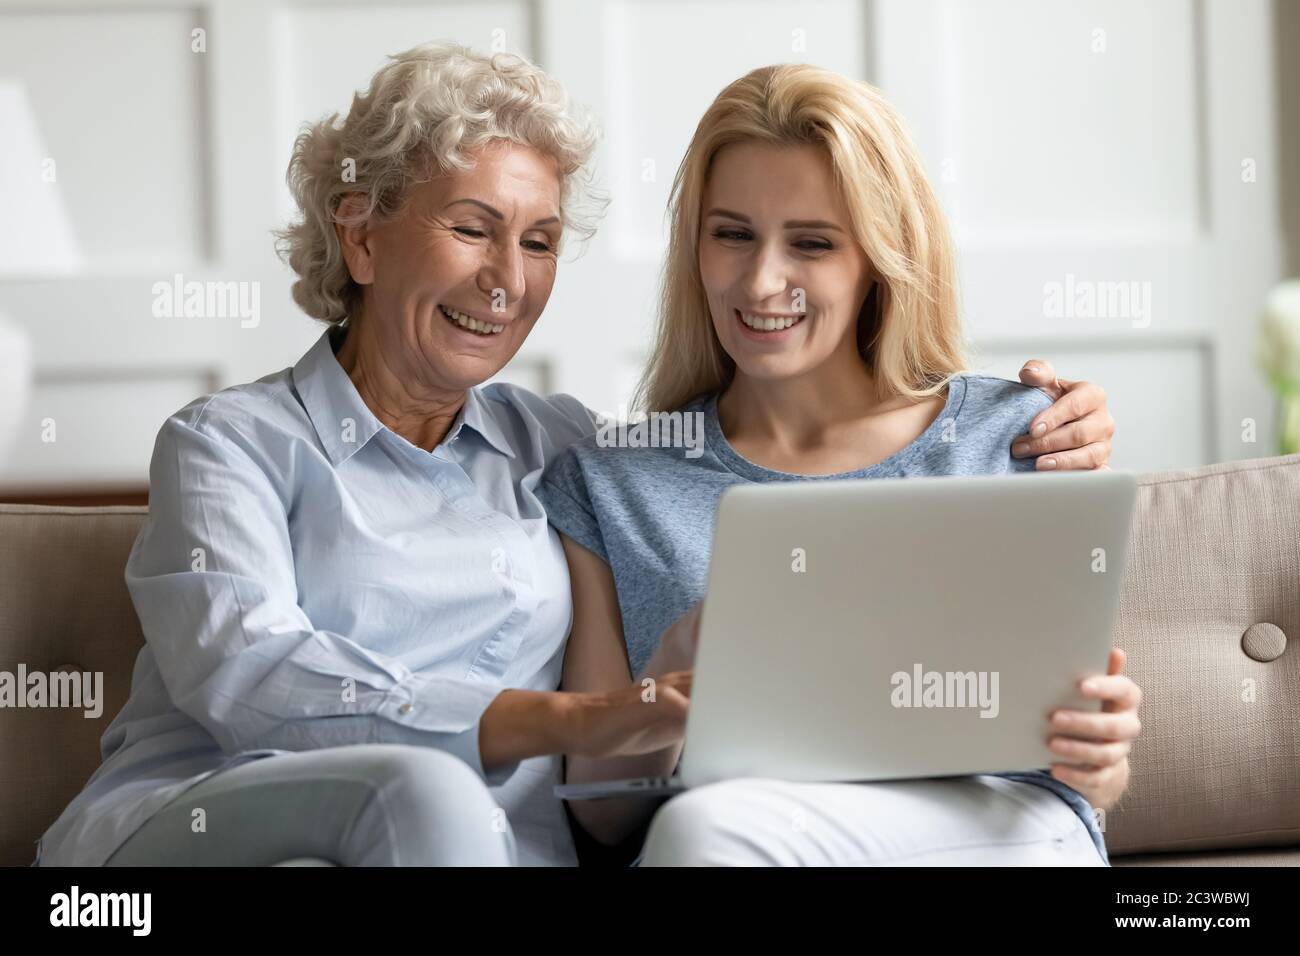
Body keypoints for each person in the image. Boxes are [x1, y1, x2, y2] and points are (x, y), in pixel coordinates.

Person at [35, 44, 1115, 868]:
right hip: (219, 821)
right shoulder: (229, 445)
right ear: (360, 236)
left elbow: (752, 464)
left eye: (539, 241)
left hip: (469, 852)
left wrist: (1050, 421)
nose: (506, 277)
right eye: (471, 226)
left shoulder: (565, 449)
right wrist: (583, 717)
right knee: (429, 791)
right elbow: (249, 675)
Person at [538, 63, 1139, 866]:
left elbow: (1090, 780)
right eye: (732, 234)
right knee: (701, 829)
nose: (761, 281)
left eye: (812, 243)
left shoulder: (1021, 435)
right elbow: (604, 817)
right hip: (739, 841)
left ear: (880, 259)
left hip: (1002, 829)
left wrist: (1103, 755)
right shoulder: (612, 483)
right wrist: (679, 663)